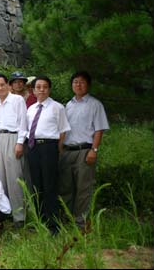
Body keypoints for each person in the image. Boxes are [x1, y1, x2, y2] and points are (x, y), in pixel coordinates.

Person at [60, 71, 109, 229]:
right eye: (75, 82)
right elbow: (63, 129)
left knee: (83, 187)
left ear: (87, 84)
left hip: (85, 150)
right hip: (68, 151)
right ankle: (67, 218)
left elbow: (99, 130)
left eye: (81, 82)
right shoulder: (68, 105)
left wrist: (94, 150)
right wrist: (60, 149)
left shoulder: (95, 104)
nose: (78, 85)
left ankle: (80, 222)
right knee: (66, 187)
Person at [26, 76, 70, 234]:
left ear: (49, 89)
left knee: (50, 184)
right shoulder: (31, 109)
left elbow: (63, 130)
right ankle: (40, 220)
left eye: (45, 86)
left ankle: (53, 224)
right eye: (38, 87)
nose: (41, 89)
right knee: (36, 185)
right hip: (33, 147)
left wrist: (57, 149)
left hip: (49, 147)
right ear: (33, 90)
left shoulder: (57, 107)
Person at [0, 73, 27, 227]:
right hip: (1, 141)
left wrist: (20, 143)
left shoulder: (17, 100)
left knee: (15, 178)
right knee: (2, 179)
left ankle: (20, 216)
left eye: (2, 84)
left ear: (8, 85)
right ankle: (6, 212)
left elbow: (23, 122)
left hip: (13, 139)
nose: (0, 88)